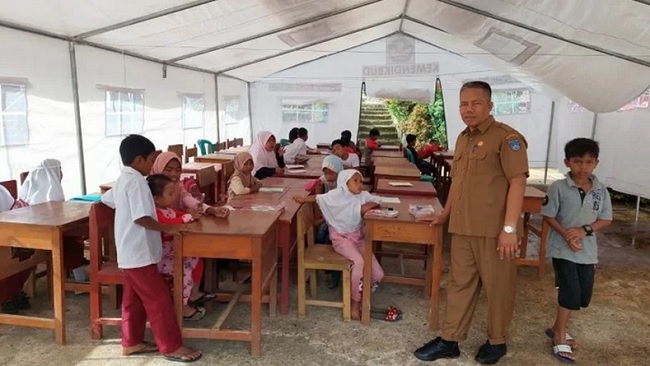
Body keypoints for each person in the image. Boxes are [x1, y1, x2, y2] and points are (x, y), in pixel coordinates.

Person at [414, 81, 529, 365]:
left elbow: (518, 182)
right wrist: (445, 213)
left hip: (494, 230)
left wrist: (510, 229)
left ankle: (497, 341)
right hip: (463, 227)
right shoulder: (463, 138)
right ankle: (450, 339)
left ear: (490, 106)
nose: (469, 109)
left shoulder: (507, 138)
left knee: (498, 287)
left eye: (475, 103)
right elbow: (458, 182)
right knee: (458, 285)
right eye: (464, 104)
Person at [101, 134, 202, 362]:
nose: (151, 165)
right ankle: (171, 346)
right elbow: (141, 218)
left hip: (131, 251)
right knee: (159, 299)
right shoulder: (136, 181)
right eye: (150, 159)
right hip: (139, 252)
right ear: (139, 159)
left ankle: (131, 341)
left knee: (133, 300)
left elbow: (108, 199)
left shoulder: (124, 179)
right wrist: (169, 228)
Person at [542, 138, 612, 364]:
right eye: (577, 161)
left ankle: (555, 328)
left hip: (587, 251)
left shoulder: (601, 190)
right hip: (562, 249)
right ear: (567, 162)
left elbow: (606, 218)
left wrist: (584, 231)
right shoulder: (558, 188)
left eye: (588, 162)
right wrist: (566, 234)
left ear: (596, 163)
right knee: (570, 292)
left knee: (583, 296)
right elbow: (549, 216)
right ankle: (560, 336)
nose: (583, 166)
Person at [315, 169, 384, 320]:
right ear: (345, 183)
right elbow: (318, 198)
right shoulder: (336, 196)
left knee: (378, 274)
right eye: (355, 181)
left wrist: (367, 206)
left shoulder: (362, 196)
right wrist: (301, 199)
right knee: (359, 262)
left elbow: (378, 200)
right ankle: (355, 303)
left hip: (357, 238)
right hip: (341, 239)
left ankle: (361, 293)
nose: (360, 184)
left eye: (361, 181)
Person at [147, 174, 210, 321]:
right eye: (170, 194)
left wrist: (191, 214)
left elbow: (179, 215)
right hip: (163, 257)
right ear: (156, 198)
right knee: (184, 271)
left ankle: (192, 294)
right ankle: (181, 307)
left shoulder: (167, 209)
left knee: (196, 258)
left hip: (173, 251)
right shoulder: (155, 213)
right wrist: (187, 218)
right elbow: (170, 224)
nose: (174, 196)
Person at [19, 159, 87, 282]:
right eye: (59, 170)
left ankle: (76, 274)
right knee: (72, 237)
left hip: (41, 234)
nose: (61, 173)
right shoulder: (50, 196)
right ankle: (79, 278)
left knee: (70, 234)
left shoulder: (30, 194)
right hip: (41, 236)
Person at [296, 155, 345, 289]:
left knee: (331, 240)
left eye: (331, 173)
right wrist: (319, 181)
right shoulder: (328, 180)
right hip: (331, 219)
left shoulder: (343, 184)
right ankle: (321, 267)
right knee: (321, 234)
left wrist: (305, 200)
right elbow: (309, 186)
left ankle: (333, 274)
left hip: (343, 223)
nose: (328, 176)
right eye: (325, 172)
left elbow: (328, 199)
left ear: (339, 172)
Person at [151, 152, 230, 218]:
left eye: (178, 170)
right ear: (159, 168)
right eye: (169, 170)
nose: (174, 174)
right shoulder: (151, 188)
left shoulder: (178, 186)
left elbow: (188, 199)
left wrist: (212, 210)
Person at [0, 185, 31, 314]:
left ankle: (11, 292)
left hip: (6, 235)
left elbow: (13, 211)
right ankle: (6, 296)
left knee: (28, 252)